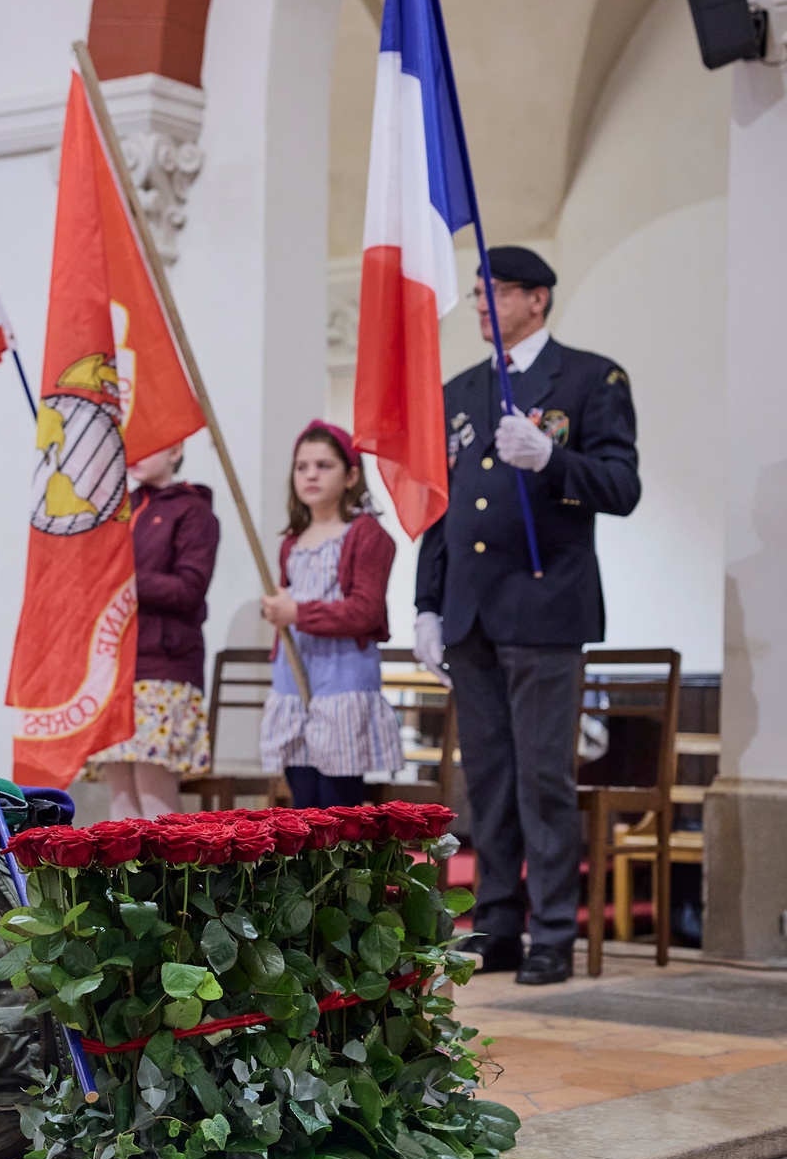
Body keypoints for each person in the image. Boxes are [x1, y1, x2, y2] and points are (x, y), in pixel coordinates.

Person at [414, 246, 640, 985]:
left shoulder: (588, 378)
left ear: (537, 299)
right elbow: (439, 509)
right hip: (473, 612)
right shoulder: (461, 390)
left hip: (545, 608)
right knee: (488, 780)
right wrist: (426, 603)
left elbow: (622, 485)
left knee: (543, 778)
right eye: (478, 293)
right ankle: (500, 923)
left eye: (497, 291)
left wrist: (552, 459)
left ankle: (551, 932)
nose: (482, 304)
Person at [259, 421, 403, 809]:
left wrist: (297, 612)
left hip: (341, 678)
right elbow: (289, 606)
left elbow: (364, 611)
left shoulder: (366, 534)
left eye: (324, 466)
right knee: (303, 808)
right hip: (294, 679)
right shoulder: (292, 542)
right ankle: (306, 873)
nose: (310, 475)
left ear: (351, 475)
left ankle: (342, 873)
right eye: (301, 466)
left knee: (336, 812)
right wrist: (276, 610)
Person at [85, 442, 219, 820]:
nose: (138, 450)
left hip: (164, 666)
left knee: (155, 798)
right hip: (115, 665)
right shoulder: (118, 511)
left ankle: (169, 880)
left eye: (153, 440)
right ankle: (129, 879)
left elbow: (189, 589)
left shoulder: (193, 511)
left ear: (175, 450)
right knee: (122, 798)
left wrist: (126, 579)